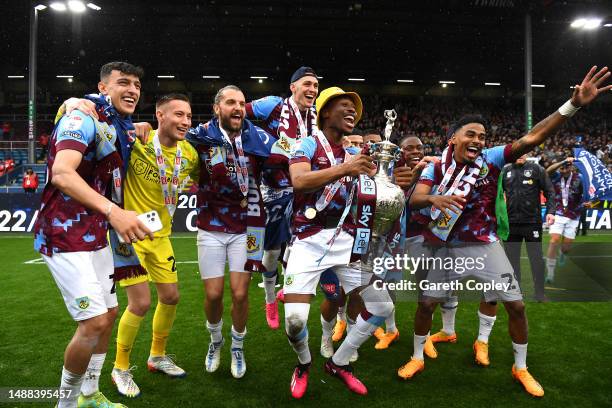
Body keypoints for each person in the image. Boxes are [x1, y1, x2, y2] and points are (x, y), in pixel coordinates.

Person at [398, 66, 611, 398]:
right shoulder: (434, 167)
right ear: (453, 137)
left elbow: (534, 137)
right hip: (442, 245)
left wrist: (573, 106)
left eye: (482, 136)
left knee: (517, 306)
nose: (478, 141)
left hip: (484, 245)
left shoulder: (492, 159)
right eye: (471, 134)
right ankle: (416, 357)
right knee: (426, 304)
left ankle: (520, 367)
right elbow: (416, 201)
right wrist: (434, 197)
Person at [33, 61, 152, 408]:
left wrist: (141, 126)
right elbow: (62, 174)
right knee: (94, 321)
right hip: (63, 233)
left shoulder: (118, 123)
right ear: (102, 88)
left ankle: (89, 393)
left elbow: (124, 135)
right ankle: (66, 403)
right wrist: (116, 212)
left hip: (96, 234)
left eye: (137, 85)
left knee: (110, 314)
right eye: (123, 83)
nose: (132, 90)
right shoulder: (81, 116)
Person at [284, 86, 399, 398]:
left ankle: (339, 362)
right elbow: (299, 181)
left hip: (345, 244)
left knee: (382, 306)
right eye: (345, 106)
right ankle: (304, 363)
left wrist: (389, 181)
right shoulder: (305, 144)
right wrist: (347, 169)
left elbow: (371, 198)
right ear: (324, 112)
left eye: (355, 109)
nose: (352, 113)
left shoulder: (354, 155)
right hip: (308, 242)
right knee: (294, 323)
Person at [108, 94, 199, 397]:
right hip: (130, 237)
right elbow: (107, 131)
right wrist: (132, 126)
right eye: (178, 115)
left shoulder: (190, 155)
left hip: (161, 237)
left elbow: (205, 177)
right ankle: (120, 368)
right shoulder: (138, 141)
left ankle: (156, 356)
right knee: (140, 303)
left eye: (188, 116)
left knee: (171, 297)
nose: (185, 121)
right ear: (160, 115)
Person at [191, 85, 273, 379]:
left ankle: (237, 346)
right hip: (211, 226)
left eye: (241, 103)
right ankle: (216, 341)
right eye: (230, 102)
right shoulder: (199, 136)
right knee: (213, 295)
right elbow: (166, 139)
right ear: (217, 108)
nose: (237, 108)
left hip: (249, 225)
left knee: (240, 294)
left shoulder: (260, 138)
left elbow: (288, 158)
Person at [245, 66, 319, 329]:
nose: (312, 89)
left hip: (301, 190)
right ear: (293, 87)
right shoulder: (273, 105)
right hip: (272, 191)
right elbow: (236, 113)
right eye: (307, 84)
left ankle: (288, 289)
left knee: (300, 247)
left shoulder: (316, 117)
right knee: (271, 254)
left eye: (315, 86)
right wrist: (257, 143)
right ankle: (269, 299)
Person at [502, 154, 556, 301]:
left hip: (532, 223)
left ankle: (539, 293)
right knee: (511, 261)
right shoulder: (504, 171)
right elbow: (496, 196)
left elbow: (550, 192)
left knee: (536, 259)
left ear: (527, 154)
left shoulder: (537, 169)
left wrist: (551, 212)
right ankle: (515, 292)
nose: (520, 155)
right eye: (518, 152)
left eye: (523, 152)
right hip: (511, 224)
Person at [545, 158, 583, 283]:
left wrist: (588, 202)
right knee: (554, 240)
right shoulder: (555, 176)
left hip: (574, 214)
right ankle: (550, 274)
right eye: (563, 166)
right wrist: (562, 162)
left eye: (567, 166)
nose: (564, 169)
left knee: (566, 247)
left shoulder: (580, 178)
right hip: (558, 213)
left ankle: (562, 253)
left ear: (571, 167)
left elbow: (588, 193)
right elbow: (548, 170)